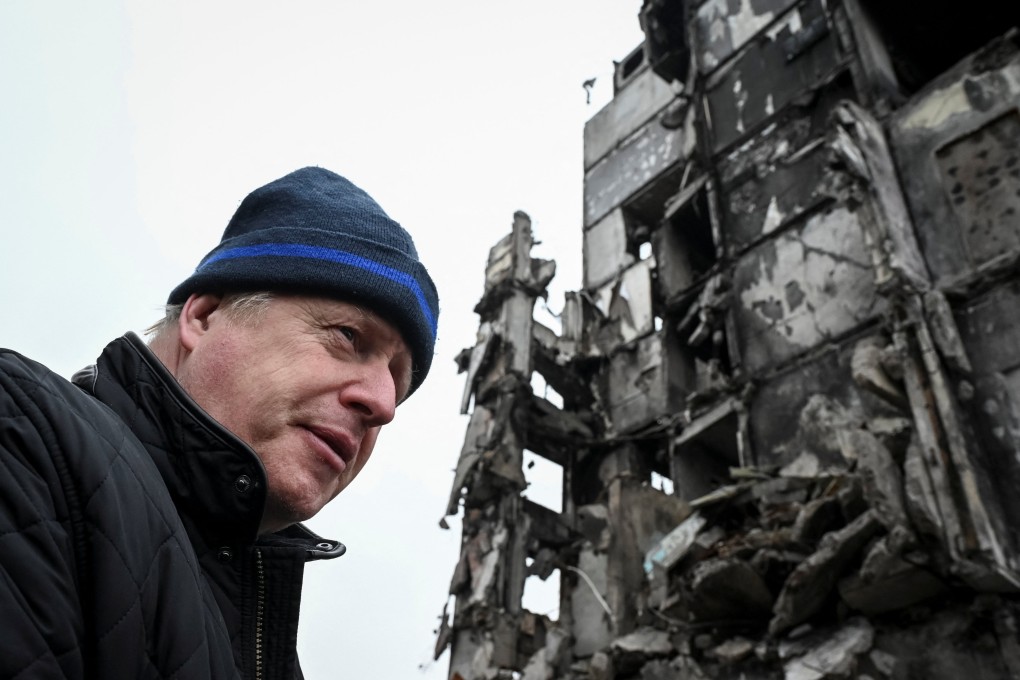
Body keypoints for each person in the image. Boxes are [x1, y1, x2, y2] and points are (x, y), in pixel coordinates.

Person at [0, 166, 439, 679]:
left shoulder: (263, 636)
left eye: (396, 380)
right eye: (347, 336)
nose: (383, 405)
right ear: (204, 316)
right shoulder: (25, 437)